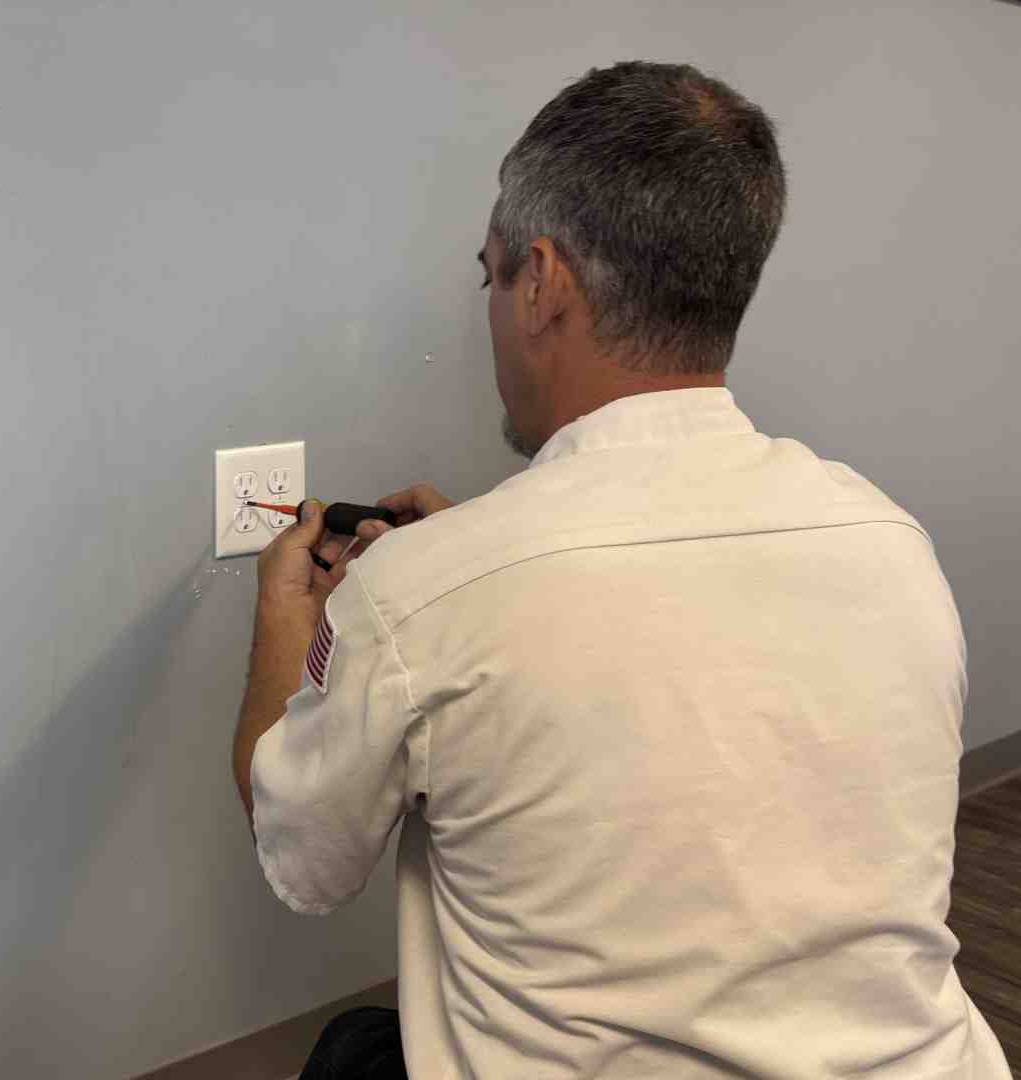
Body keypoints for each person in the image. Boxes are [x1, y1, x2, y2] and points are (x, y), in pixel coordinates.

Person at [232, 60, 1011, 1080]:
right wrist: (478, 575)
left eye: (490, 273)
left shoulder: (426, 593)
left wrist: (290, 620)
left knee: (349, 1055)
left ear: (540, 284)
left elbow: (304, 855)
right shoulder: (887, 541)